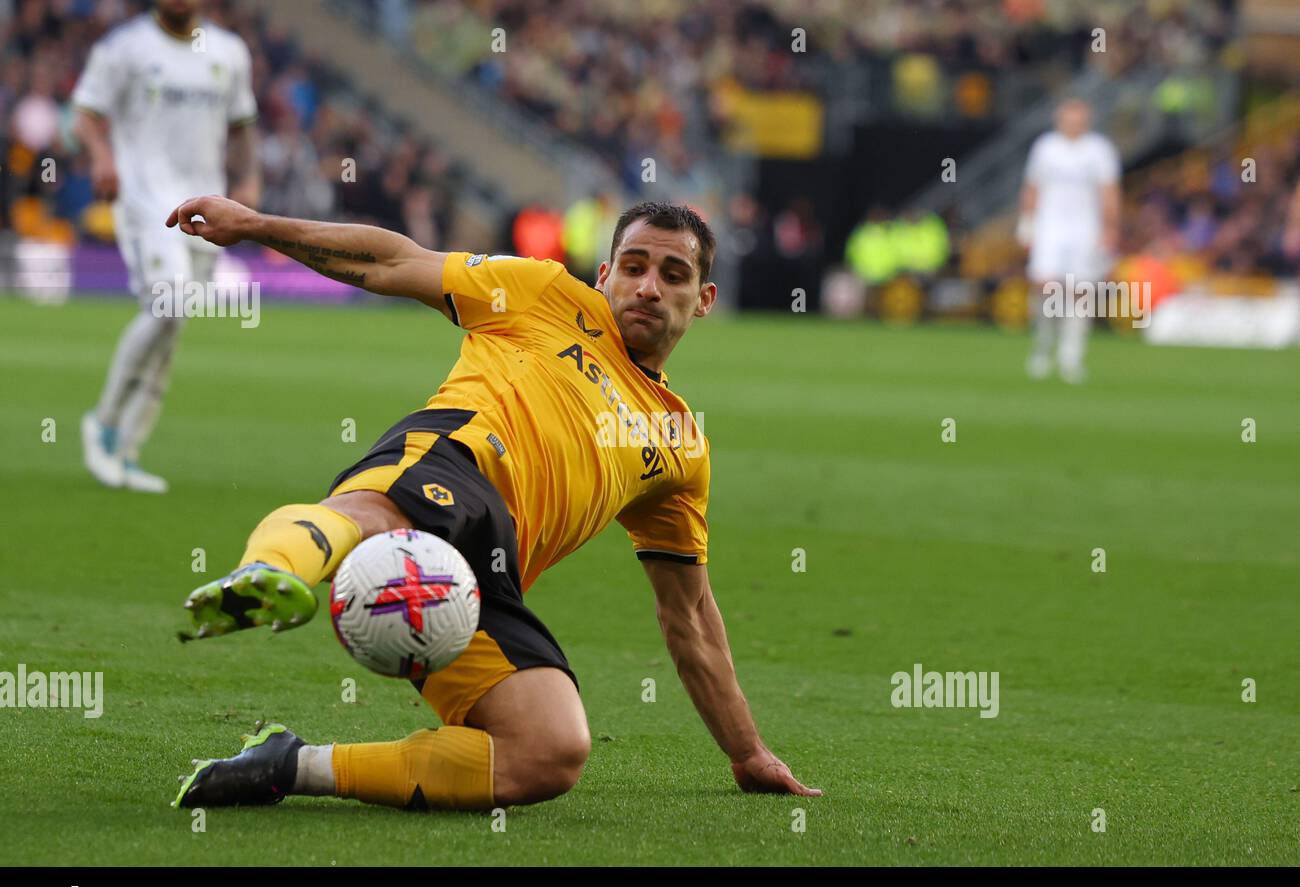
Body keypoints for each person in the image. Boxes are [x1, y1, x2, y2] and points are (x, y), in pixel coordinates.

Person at [167, 194, 822, 811]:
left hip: (481, 581)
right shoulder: (542, 293)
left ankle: (290, 765)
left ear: (704, 298)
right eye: (634, 266)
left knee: (549, 752)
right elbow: (395, 262)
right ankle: (273, 572)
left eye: (673, 275)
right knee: (378, 516)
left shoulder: (678, 444)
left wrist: (747, 751)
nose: (649, 287)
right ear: (604, 274)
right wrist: (256, 225)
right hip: (454, 457)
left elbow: (691, 614)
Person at [72, 0, 260, 492]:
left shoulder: (228, 52)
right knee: (169, 306)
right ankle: (104, 422)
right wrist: (101, 159)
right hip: (146, 199)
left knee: (172, 328)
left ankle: (127, 449)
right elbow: (86, 113)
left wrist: (250, 179)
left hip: (208, 207)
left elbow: (242, 125)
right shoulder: (125, 48)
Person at [1018, 98, 1120, 384]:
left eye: (1079, 119)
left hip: (1085, 228)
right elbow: (1032, 186)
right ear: (1059, 119)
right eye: (1069, 119)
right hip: (1049, 227)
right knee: (1046, 286)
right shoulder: (1045, 147)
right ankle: (1043, 345)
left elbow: (1109, 190)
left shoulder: (1099, 150)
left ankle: (1071, 355)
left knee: (1079, 290)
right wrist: (1026, 221)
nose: (1074, 124)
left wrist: (1110, 227)